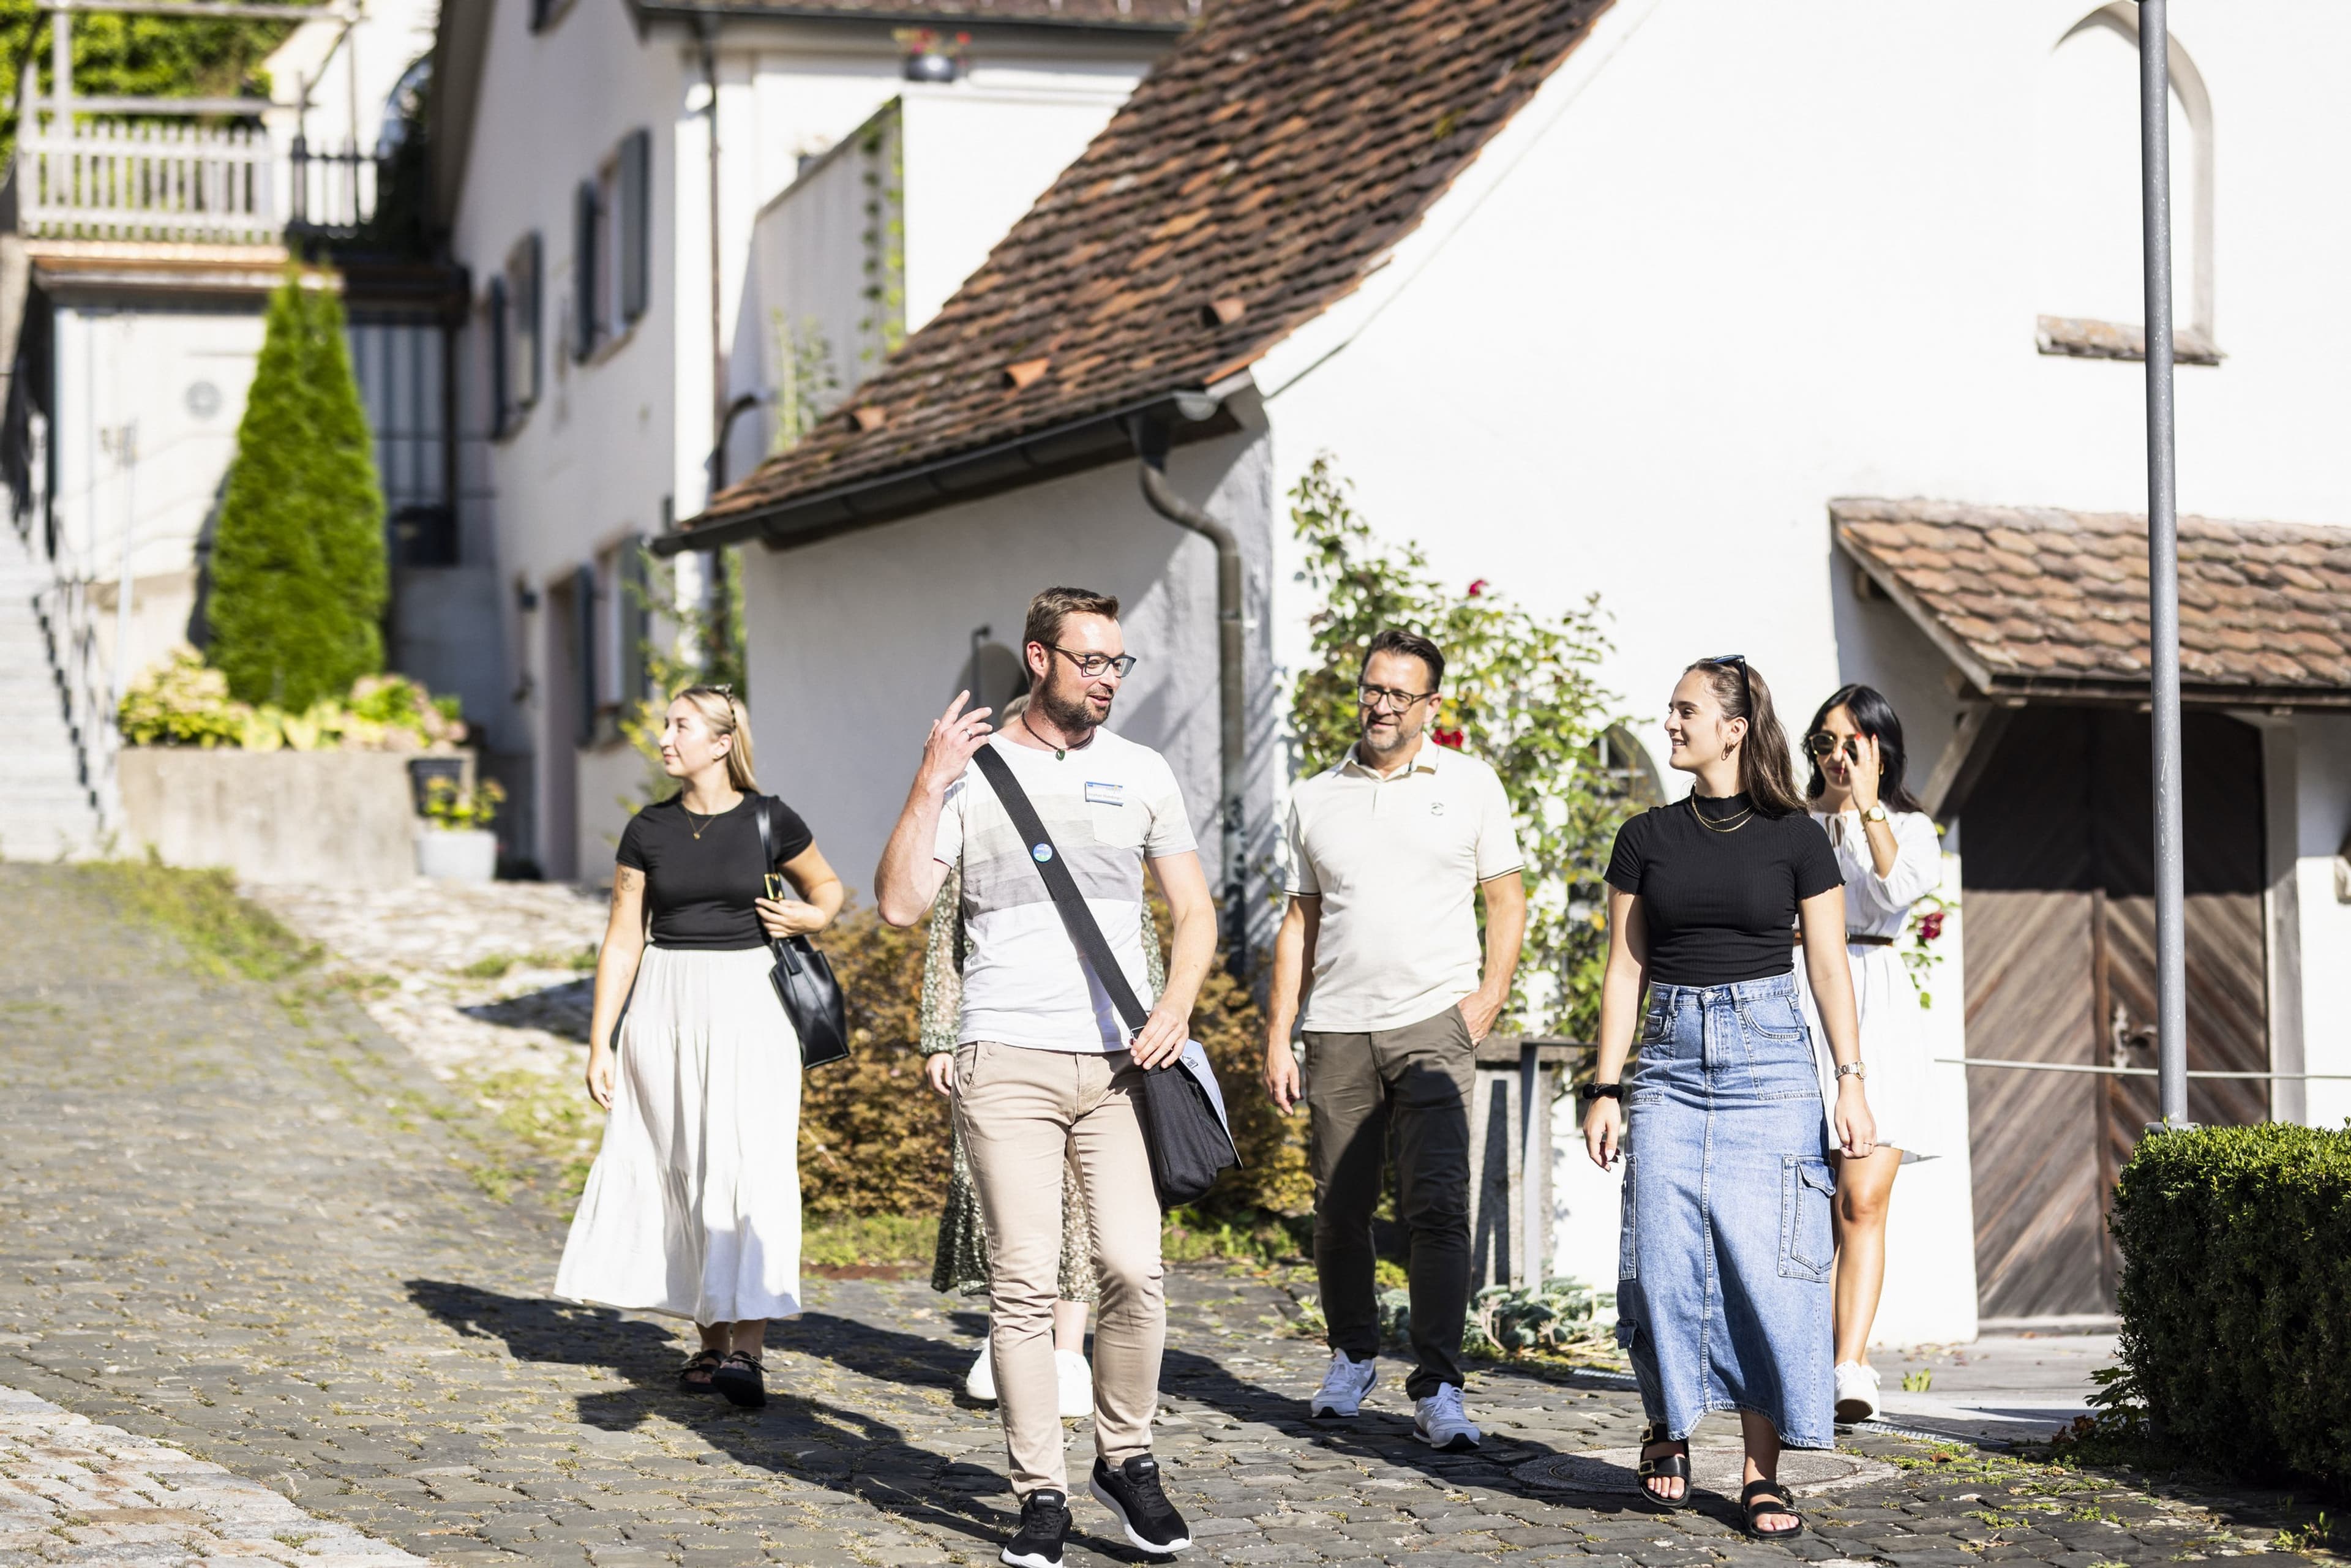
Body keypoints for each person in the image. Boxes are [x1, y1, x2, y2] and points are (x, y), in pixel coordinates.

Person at [876, 587, 1215, 1568]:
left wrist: (1176, 1005)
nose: (1108, 679)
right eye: (1091, 661)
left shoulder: (1142, 771)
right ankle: (1041, 1494)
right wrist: (928, 782)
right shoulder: (973, 775)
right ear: (1039, 658)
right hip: (1005, 1061)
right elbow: (899, 905)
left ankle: (1128, 1456)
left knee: (1134, 1271)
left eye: (1118, 663)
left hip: (1120, 1065)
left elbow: (1194, 912)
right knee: (1023, 1286)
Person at [1581, 656, 1874, 1542]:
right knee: (1660, 1259)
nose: (1670, 724)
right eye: (1671, 710)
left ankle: (1759, 1472)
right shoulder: (1645, 835)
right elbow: (1625, 967)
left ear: (1734, 728)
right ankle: (1667, 1425)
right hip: (1670, 1063)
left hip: (1770, 1064)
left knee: (1769, 1268)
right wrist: (1605, 1084)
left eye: (1685, 710)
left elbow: (1829, 967)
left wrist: (1851, 1080)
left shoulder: (1797, 838)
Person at [1261, 628, 1526, 1450]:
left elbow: (1506, 898)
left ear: (1431, 705)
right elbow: (1298, 921)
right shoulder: (1314, 796)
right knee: (1339, 1210)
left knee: (1437, 1207)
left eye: (1398, 694)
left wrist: (1488, 996)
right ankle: (1351, 1356)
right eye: (1371, 689)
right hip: (1337, 1026)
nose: (1380, 705)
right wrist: (1279, 1030)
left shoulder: (1471, 783)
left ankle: (1439, 1384)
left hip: (1432, 1022)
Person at [554, 686, 844, 1411]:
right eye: (665, 724)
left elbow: (828, 887)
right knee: (683, 1161)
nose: (664, 736)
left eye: (680, 725)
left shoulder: (771, 818)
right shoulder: (647, 828)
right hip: (665, 1000)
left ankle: (749, 1348)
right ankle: (710, 1341)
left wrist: (810, 915)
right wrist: (601, 1040)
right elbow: (623, 938)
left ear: (721, 742)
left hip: (752, 1003)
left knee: (751, 1162)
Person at [924, 691, 1166, 1420]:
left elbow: (1142, 932)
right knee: (1009, 1213)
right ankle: (1017, 1337)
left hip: (1107, 1044)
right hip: (1005, 1042)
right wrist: (940, 1033)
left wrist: (1159, 1020)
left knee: (1104, 1225)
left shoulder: (1119, 793)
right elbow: (944, 927)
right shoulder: (976, 795)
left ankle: (1067, 1348)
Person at [1793, 685, 1943, 1426]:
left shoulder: (1910, 826)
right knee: (1800, 1203)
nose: (1838, 755)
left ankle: (1848, 1364)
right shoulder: (1790, 821)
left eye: (1852, 742)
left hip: (1876, 999)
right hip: (1799, 994)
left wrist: (1867, 805)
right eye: (1825, 741)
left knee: (1862, 1198)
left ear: (1881, 748)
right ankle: (1798, 1359)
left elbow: (1897, 887)